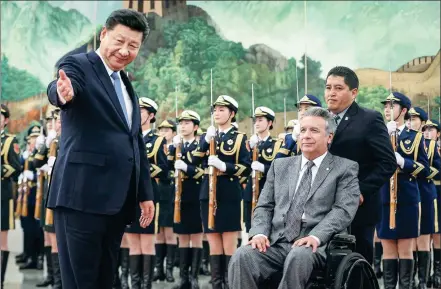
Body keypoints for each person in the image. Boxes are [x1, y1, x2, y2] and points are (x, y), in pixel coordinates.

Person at [46, 9, 155, 288]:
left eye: (133, 45)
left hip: (115, 203)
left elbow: (134, 141)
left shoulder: (125, 82)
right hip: (81, 197)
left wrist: (144, 193)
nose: (124, 50)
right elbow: (64, 87)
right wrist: (62, 93)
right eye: (119, 41)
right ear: (103, 34)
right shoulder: (79, 64)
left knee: (105, 280)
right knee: (81, 281)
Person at [228, 107, 360, 289]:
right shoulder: (280, 165)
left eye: (314, 130)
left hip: (316, 243)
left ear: (329, 137)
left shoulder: (345, 168)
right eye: (303, 130)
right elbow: (264, 206)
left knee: (298, 256)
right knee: (242, 255)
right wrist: (259, 232)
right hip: (276, 241)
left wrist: (316, 236)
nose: (306, 135)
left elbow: (343, 210)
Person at [326, 66, 396, 264]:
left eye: (338, 88)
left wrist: (360, 191)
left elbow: (387, 162)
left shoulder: (369, 119)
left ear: (353, 92)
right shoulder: (319, 119)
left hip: (358, 209)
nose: (331, 92)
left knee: (356, 265)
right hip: (322, 206)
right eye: (328, 87)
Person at [192, 95, 251, 289]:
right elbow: (194, 161)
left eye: (222, 110)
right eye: (215, 110)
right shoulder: (208, 136)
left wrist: (224, 166)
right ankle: (217, 284)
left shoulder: (240, 138)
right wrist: (205, 141)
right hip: (207, 193)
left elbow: (246, 168)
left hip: (228, 194)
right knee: (213, 242)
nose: (217, 113)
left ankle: (230, 284)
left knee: (229, 243)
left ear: (232, 113)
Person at [376, 93, 430, 288]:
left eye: (392, 105)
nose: (387, 109)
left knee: (405, 250)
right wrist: (382, 134)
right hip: (383, 197)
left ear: (404, 110)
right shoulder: (378, 134)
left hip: (406, 199)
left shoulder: (414, 138)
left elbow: (425, 169)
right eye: (386, 106)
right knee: (388, 250)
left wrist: (404, 162)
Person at [125, 97, 168, 289]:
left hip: (149, 195)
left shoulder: (157, 141)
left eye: (143, 111)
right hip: (129, 196)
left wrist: (141, 169)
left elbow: (164, 169)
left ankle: (146, 286)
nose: (138, 114)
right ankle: (135, 285)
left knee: (147, 243)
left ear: (151, 116)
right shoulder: (128, 136)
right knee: (133, 244)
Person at [169, 110, 205, 289]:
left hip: (196, 193)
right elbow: (166, 166)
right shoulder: (176, 146)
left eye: (187, 123)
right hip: (179, 197)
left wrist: (187, 168)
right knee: (182, 237)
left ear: (196, 126)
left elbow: (204, 170)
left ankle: (194, 278)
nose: (183, 126)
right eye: (181, 123)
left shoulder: (202, 146)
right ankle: (183, 278)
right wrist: (171, 149)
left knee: (196, 237)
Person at [409, 107, 439, 288]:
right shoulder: (405, 141)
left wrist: (421, 172)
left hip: (426, 193)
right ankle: (410, 278)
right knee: (410, 237)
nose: (412, 121)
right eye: (410, 118)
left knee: (424, 237)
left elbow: (436, 168)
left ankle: (423, 280)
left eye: (415, 118)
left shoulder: (431, 145)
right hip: (410, 192)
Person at [33, 106, 61, 288]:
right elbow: (37, 161)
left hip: (59, 195)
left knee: (56, 240)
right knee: (48, 236)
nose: (55, 124)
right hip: (48, 193)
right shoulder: (53, 141)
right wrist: (45, 143)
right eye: (53, 121)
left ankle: (59, 280)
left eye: (58, 120)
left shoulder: (67, 141)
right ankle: (51, 275)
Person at [244, 106, 282, 233]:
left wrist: (263, 168)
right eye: (256, 120)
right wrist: (250, 150)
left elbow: (280, 169)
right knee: (250, 229)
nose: (257, 123)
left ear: (269, 123)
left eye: (260, 120)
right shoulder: (248, 144)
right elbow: (243, 166)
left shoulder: (277, 144)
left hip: (268, 191)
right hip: (251, 192)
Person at [154, 119, 178, 283]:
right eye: (161, 130)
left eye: (167, 130)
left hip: (170, 192)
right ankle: (159, 268)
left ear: (173, 133)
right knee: (158, 233)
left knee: (169, 233)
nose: (164, 133)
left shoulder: (176, 149)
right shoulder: (155, 147)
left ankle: (169, 269)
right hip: (157, 192)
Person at [1, 104, 21, 288]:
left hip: (2, 193)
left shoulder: (10, 141)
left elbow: (16, 167)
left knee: (2, 241)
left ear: (5, 120)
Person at [423, 120, 441, 287]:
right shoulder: (421, 147)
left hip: (439, 192)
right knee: (424, 235)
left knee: (437, 234)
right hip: (426, 193)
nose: (427, 132)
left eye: (431, 129)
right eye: (425, 130)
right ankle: (426, 274)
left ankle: (437, 273)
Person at [275, 95, 322, 159]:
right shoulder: (290, 138)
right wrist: (293, 138)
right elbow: (277, 162)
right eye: (300, 110)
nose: (302, 113)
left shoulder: (323, 135)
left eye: (307, 109)